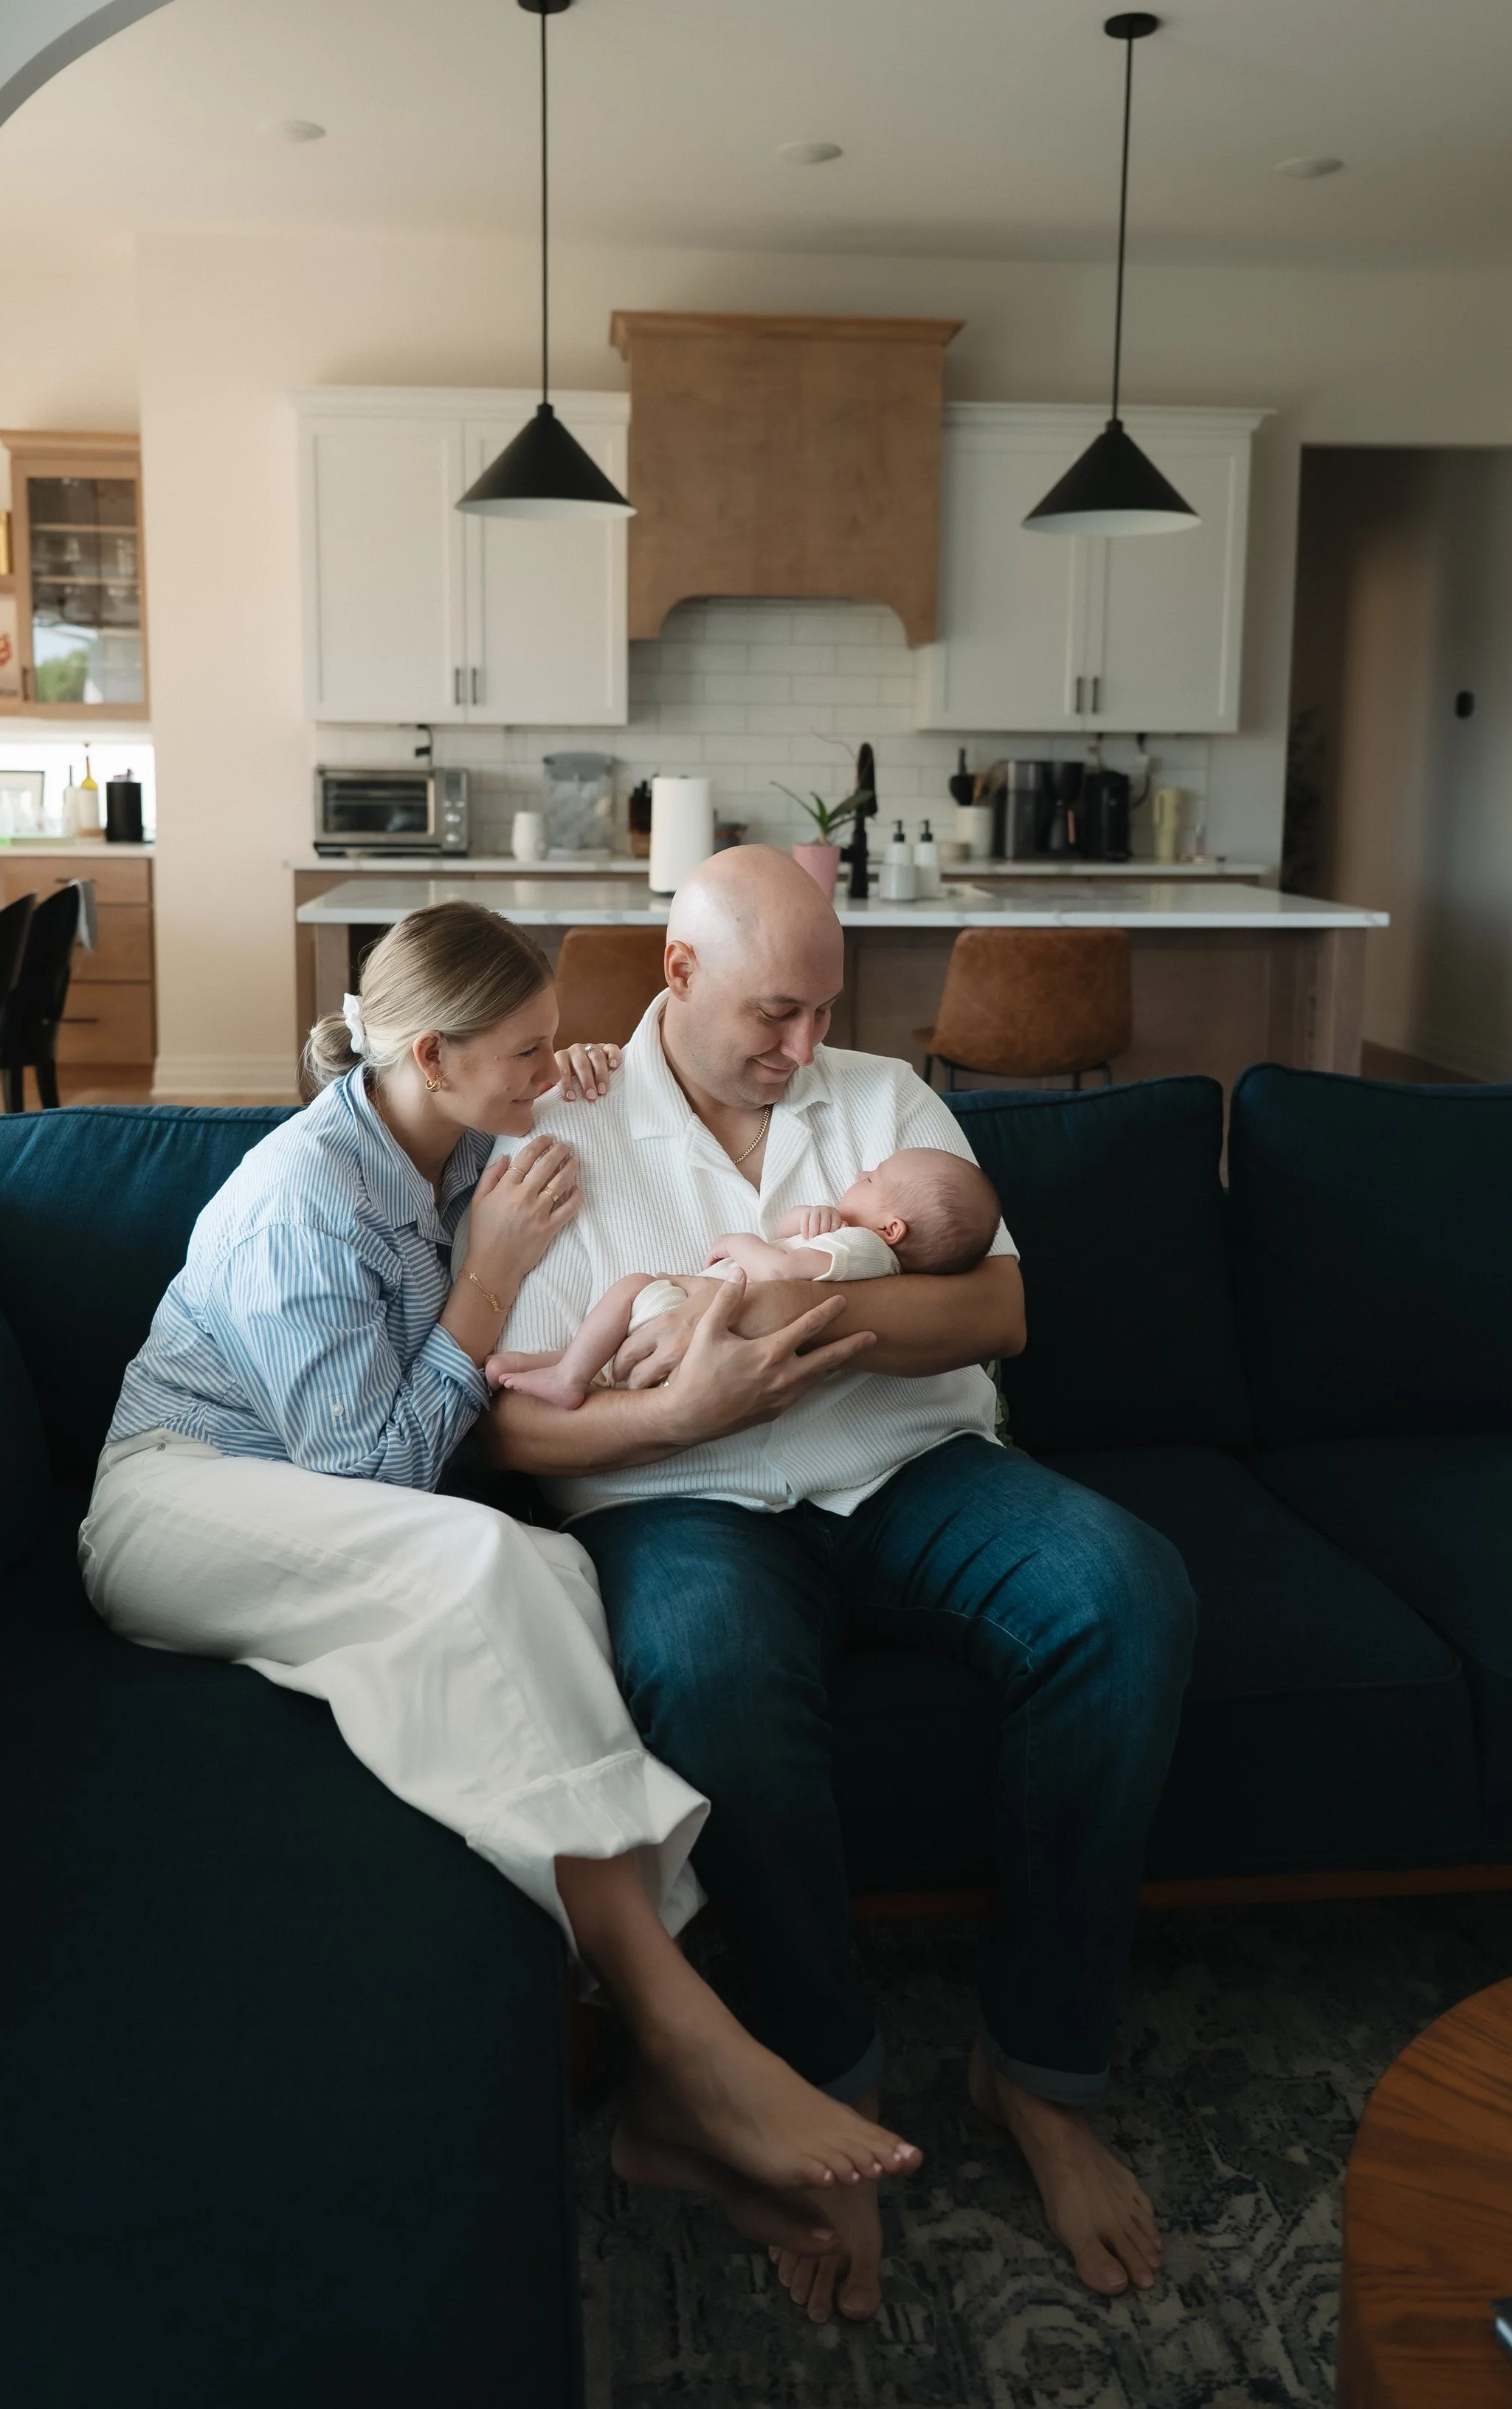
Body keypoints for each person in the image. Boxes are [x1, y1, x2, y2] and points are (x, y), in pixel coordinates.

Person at [78, 898, 919, 2252]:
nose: (561, 1071)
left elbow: (533, 1139)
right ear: (426, 1056)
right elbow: (370, 1480)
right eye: (530, 1052)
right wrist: (486, 1285)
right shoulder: (307, 1197)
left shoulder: (463, 1139)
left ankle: (655, 2088)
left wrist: (553, 1085)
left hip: (304, 1505)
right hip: (180, 1499)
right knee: (477, 1554)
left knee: (560, 1579)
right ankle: (683, 2035)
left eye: (554, 1046)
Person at [485, 849, 1197, 2326]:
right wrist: (677, 1419)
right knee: (707, 1667)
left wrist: (832, 1313)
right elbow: (504, 1415)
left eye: (822, 1011)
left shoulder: (881, 1102)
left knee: (1125, 1592)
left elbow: (997, 1304)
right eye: (772, 1013)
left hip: (910, 1477)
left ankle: (1037, 2069)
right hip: (679, 1501)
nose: (802, 1048)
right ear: (676, 978)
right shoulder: (560, 1122)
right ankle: (820, 2088)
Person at [491, 1148, 1001, 1410]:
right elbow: (790, 1246)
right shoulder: (856, 1249)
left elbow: (778, 1270)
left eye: (871, 1180)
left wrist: (737, 1243)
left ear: (892, 1229)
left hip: (707, 1321)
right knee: (627, 1337)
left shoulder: (864, 1248)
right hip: (706, 1337)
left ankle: (567, 1376)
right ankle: (561, 1365)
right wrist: (805, 1219)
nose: (861, 1173)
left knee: (630, 1288)